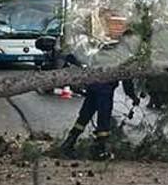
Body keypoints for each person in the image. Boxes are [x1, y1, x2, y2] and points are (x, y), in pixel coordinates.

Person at [59, 30, 140, 159]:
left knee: (84, 116)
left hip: (93, 86)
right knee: (103, 120)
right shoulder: (125, 55)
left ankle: (68, 144)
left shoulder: (107, 47)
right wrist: (133, 96)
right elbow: (127, 80)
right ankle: (99, 151)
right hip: (104, 90)